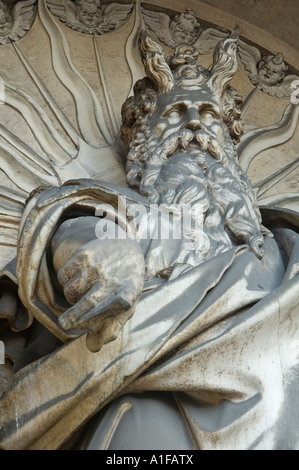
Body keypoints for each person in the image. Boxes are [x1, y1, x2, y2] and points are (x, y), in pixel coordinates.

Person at [0, 31, 298, 450]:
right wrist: (103, 253)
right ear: (144, 141)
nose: (195, 125)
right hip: (150, 407)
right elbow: (67, 223)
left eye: (210, 117)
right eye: (176, 114)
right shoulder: (119, 212)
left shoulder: (288, 248)